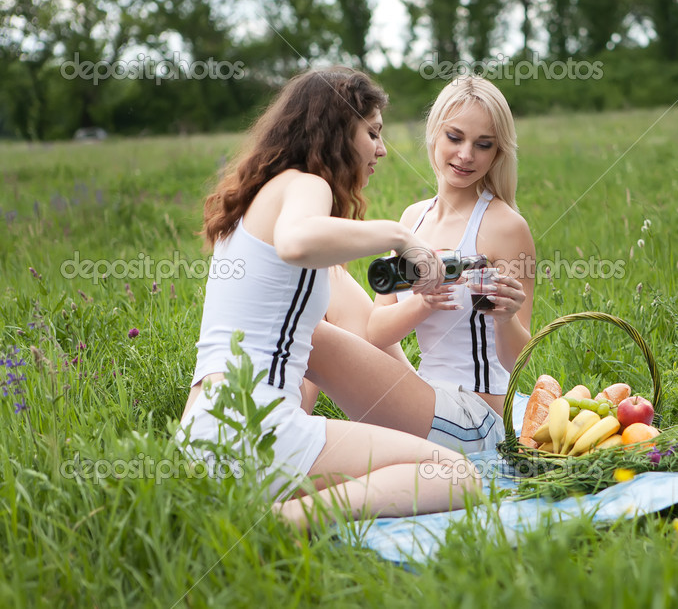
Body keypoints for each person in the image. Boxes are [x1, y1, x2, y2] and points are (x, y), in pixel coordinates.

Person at [177, 66, 481, 531]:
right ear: (338, 129)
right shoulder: (306, 184)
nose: (382, 148)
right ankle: (282, 522)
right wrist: (400, 236)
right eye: (372, 133)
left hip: (201, 434)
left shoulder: (254, 202)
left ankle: (256, 506)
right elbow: (296, 242)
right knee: (457, 474)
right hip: (255, 430)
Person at [309, 76, 534, 455]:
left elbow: (519, 362)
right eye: (455, 137)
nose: (466, 155)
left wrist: (505, 317)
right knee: (325, 278)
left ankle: (275, 440)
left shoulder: (505, 226)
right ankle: (285, 426)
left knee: (312, 337)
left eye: (483, 145)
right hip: (427, 393)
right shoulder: (413, 220)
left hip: (475, 417)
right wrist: (424, 302)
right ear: (434, 135)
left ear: (498, 152)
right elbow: (377, 332)